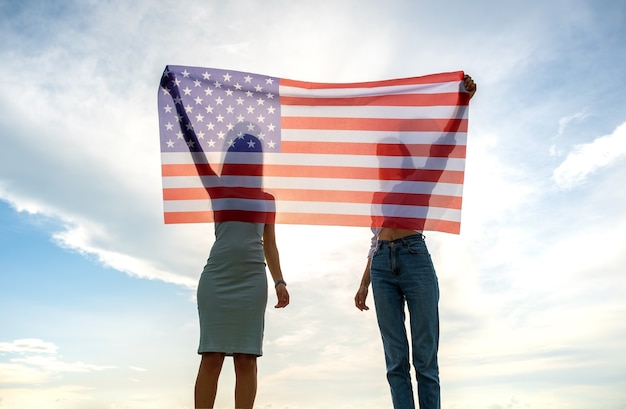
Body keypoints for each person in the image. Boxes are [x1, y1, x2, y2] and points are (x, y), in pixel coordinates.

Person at [354, 75, 477, 409]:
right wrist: (363, 284)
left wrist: (462, 102)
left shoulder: (421, 180)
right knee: (395, 360)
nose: (384, 161)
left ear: (403, 157)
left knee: (425, 357)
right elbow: (374, 240)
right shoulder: (378, 195)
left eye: (390, 154)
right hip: (381, 265)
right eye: (382, 156)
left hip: (414, 258)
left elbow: (443, 147)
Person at [193, 132, 290, 409]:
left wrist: (280, 281)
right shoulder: (218, 189)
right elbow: (197, 156)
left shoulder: (267, 199)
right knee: (211, 356)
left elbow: (270, 244)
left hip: (252, 281)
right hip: (217, 279)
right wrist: (178, 107)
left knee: (246, 359)